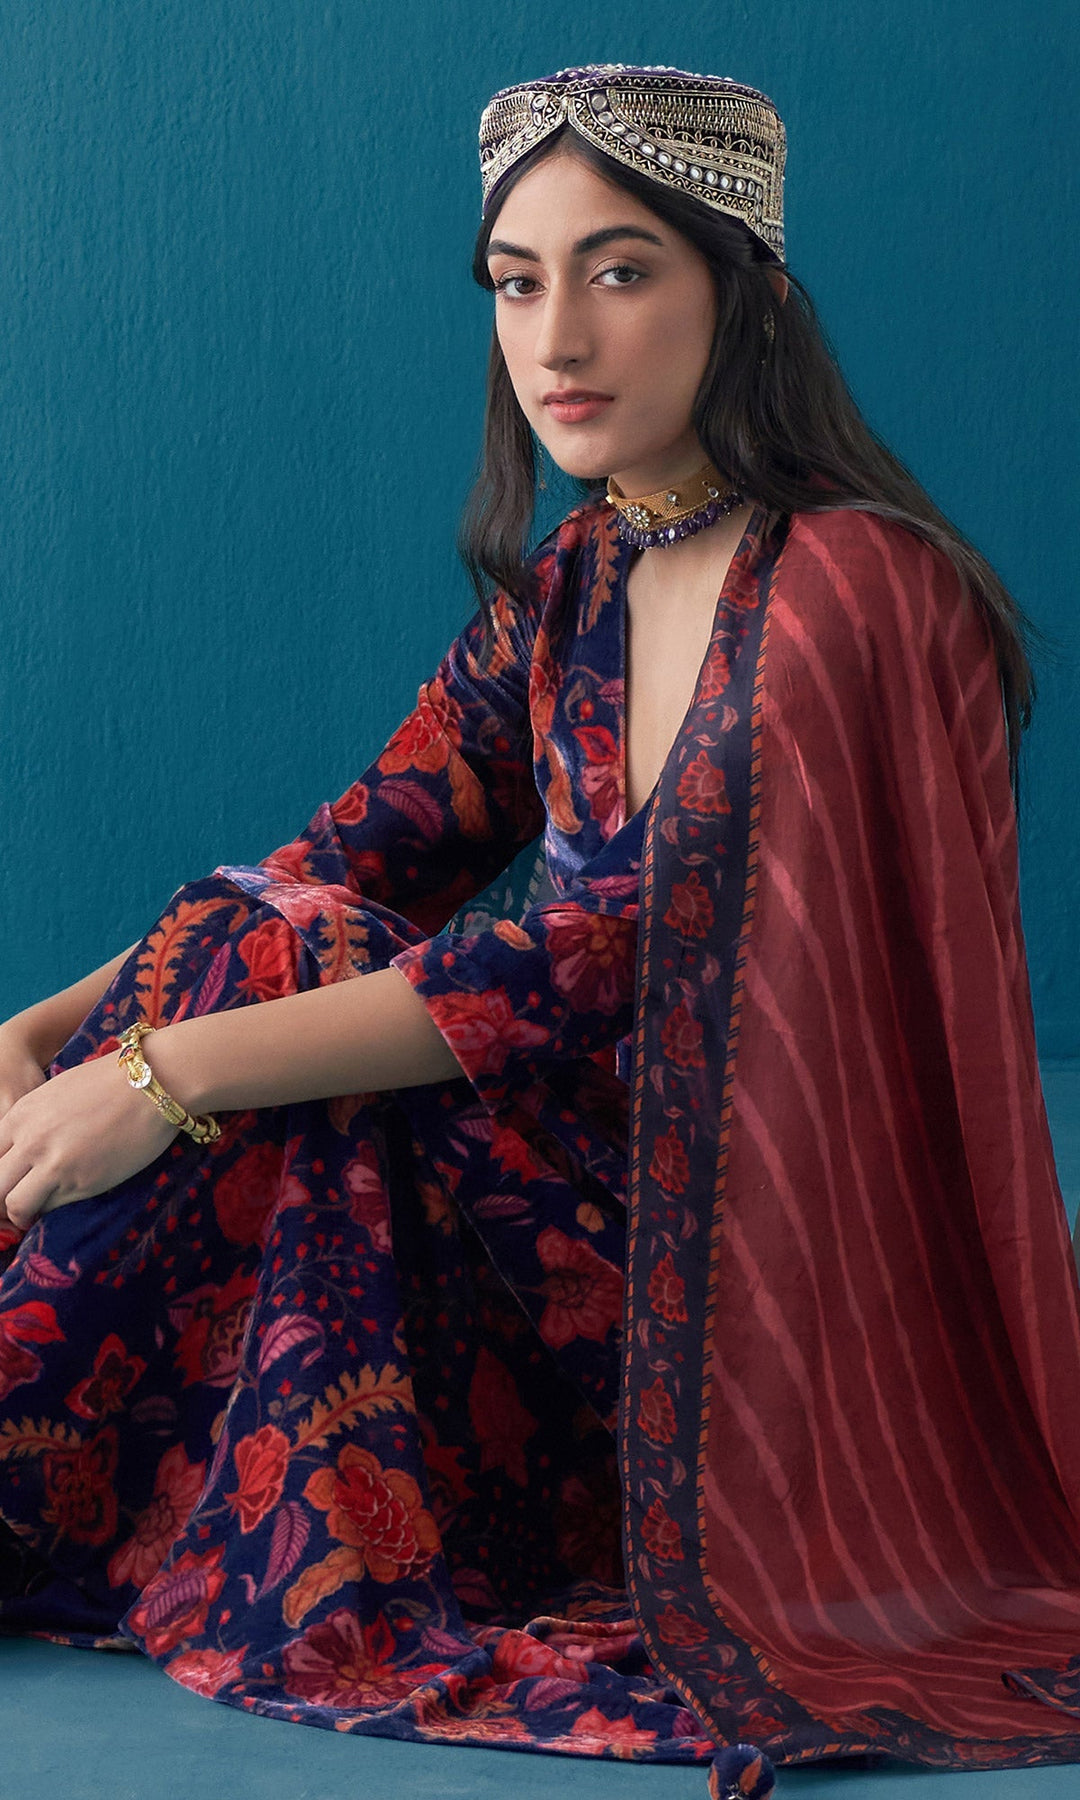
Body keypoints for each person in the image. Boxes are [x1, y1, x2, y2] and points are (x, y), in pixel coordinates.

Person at [0, 61, 1077, 1800]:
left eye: (620, 270)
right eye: (516, 282)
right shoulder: (585, 572)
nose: (556, 336)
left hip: (736, 1307)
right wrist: (50, 1034)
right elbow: (362, 844)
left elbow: (590, 957)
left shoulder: (849, 591)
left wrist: (159, 1074)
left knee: (275, 1006)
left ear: (747, 296)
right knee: (270, 937)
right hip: (566, 1234)